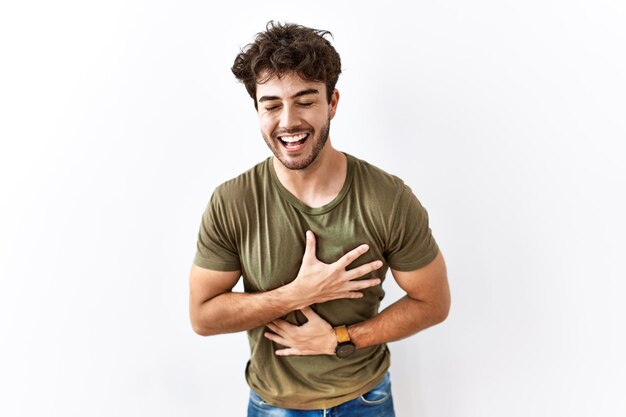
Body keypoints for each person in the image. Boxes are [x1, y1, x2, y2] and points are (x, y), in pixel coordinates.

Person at [189, 21, 450, 417]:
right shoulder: (233, 202)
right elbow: (203, 317)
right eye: (272, 104)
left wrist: (339, 339)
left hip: (365, 399)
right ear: (257, 110)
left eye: (305, 100)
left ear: (332, 103)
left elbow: (433, 302)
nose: (288, 120)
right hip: (273, 404)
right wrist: (300, 293)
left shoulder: (387, 198)